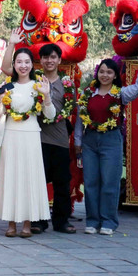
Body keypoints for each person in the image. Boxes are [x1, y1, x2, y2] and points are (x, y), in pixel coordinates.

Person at [74, 49, 138, 235]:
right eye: (102, 71)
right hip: (90, 141)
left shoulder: (120, 94)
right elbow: (79, 121)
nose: (105, 75)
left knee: (109, 182)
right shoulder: (87, 94)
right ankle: (92, 221)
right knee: (90, 182)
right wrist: (78, 142)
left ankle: (108, 221)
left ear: (115, 75)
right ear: (97, 73)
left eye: (109, 72)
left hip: (111, 140)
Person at [0, 48, 55, 238]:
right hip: (11, 135)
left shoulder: (38, 86)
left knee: (29, 177)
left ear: (32, 64)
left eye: (27, 62)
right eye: (19, 62)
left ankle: (27, 222)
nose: (23, 66)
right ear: (14, 65)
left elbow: (50, 115)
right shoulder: (7, 86)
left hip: (31, 136)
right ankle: (11, 223)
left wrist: (47, 96)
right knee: (11, 176)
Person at [34, 42, 78, 234]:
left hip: (60, 140)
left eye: (53, 57)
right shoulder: (33, 82)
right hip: (38, 140)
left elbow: (70, 110)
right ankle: (38, 221)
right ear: (40, 60)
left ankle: (61, 221)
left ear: (59, 60)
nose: (49, 61)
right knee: (38, 182)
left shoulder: (67, 85)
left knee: (62, 182)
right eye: (45, 57)